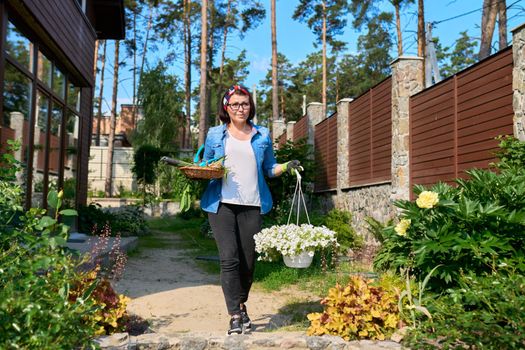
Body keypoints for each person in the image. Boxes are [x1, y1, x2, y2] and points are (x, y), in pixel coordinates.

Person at [200, 84, 301, 335]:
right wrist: (206, 168)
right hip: (221, 204)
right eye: (235, 104)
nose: (240, 108)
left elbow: (268, 168)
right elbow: (206, 165)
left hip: (253, 204)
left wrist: (286, 165)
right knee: (229, 258)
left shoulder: (262, 135)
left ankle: (241, 304)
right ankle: (234, 314)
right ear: (226, 107)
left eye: (244, 103)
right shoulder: (215, 134)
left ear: (250, 106)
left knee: (248, 262)